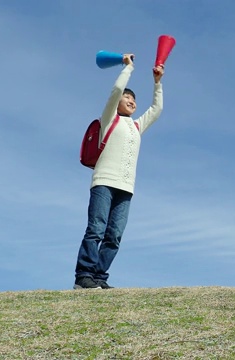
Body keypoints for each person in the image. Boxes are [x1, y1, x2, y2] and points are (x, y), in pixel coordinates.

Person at [73, 54, 165, 289]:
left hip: (126, 188)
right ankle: (83, 277)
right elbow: (115, 90)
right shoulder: (109, 118)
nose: (131, 101)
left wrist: (157, 82)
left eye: (133, 99)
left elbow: (157, 109)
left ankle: (99, 278)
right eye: (127, 97)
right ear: (118, 103)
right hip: (104, 182)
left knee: (114, 235)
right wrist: (128, 68)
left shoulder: (136, 126)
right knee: (96, 229)